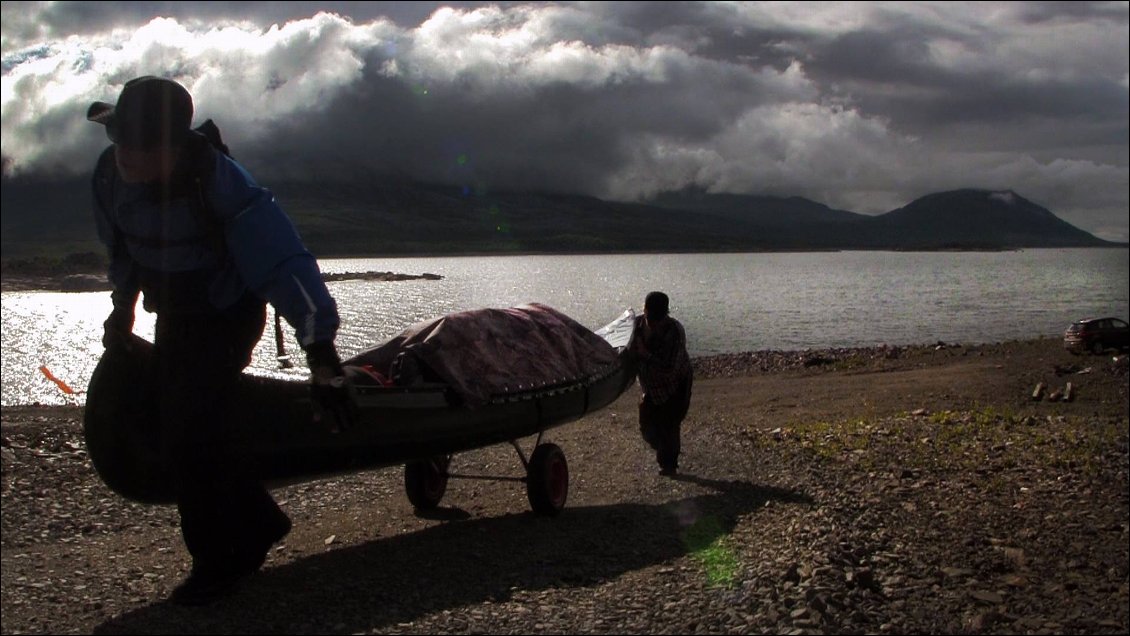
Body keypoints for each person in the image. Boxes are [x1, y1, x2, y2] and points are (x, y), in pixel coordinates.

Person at [86, 76, 353, 605]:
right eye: (119, 141)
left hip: (227, 313)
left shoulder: (222, 186)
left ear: (174, 145)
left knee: (189, 423)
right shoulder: (109, 178)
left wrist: (321, 355)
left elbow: (286, 267)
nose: (127, 156)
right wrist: (123, 308)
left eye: (140, 146)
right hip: (175, 309)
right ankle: (258, 518)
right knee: (178, 407)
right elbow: (123, 251)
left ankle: (222, 557)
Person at [633, 291, 693, 476]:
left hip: (677, 384)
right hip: (650, 387)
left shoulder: (675, 331)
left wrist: (644, 354)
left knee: (670, 424)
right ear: (644, 310)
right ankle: (663, 449)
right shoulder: (636, 325)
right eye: (651, 318)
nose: (653, 323)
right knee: (647, 427)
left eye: (658, 319)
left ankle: (669, 465)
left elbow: (669, 369)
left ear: (665, 315)